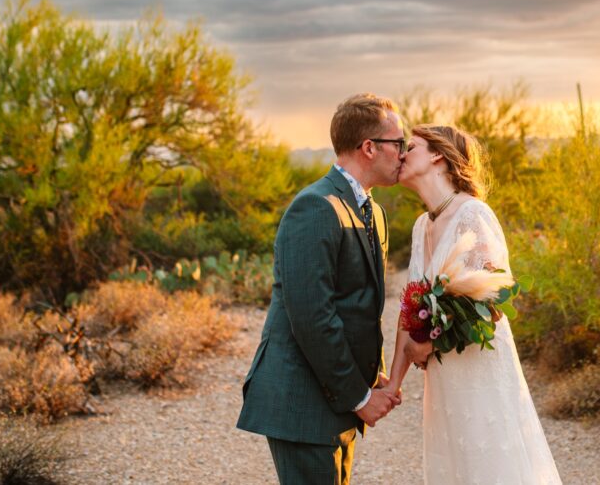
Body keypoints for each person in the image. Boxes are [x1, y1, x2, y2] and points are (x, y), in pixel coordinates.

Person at [236, 93, 428, 485]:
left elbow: (359, 306)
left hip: (337, 397)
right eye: (398, 143)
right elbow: (313, 317)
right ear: (369, 147)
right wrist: (359, 398)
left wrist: (373, 378)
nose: (404, 153)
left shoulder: (372, 211)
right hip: (303, 401)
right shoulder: (315, 207)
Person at [380, 124, 562, 484]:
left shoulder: (472, 215)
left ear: (438, 155)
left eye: (410, 146)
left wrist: (431, 343)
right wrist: (392, 386)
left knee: (489, 461)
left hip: (480, 369)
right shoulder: (421, 226)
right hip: (444, 379)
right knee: (456, 463)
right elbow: (409, 313)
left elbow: (492, 304)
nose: (401, 153)